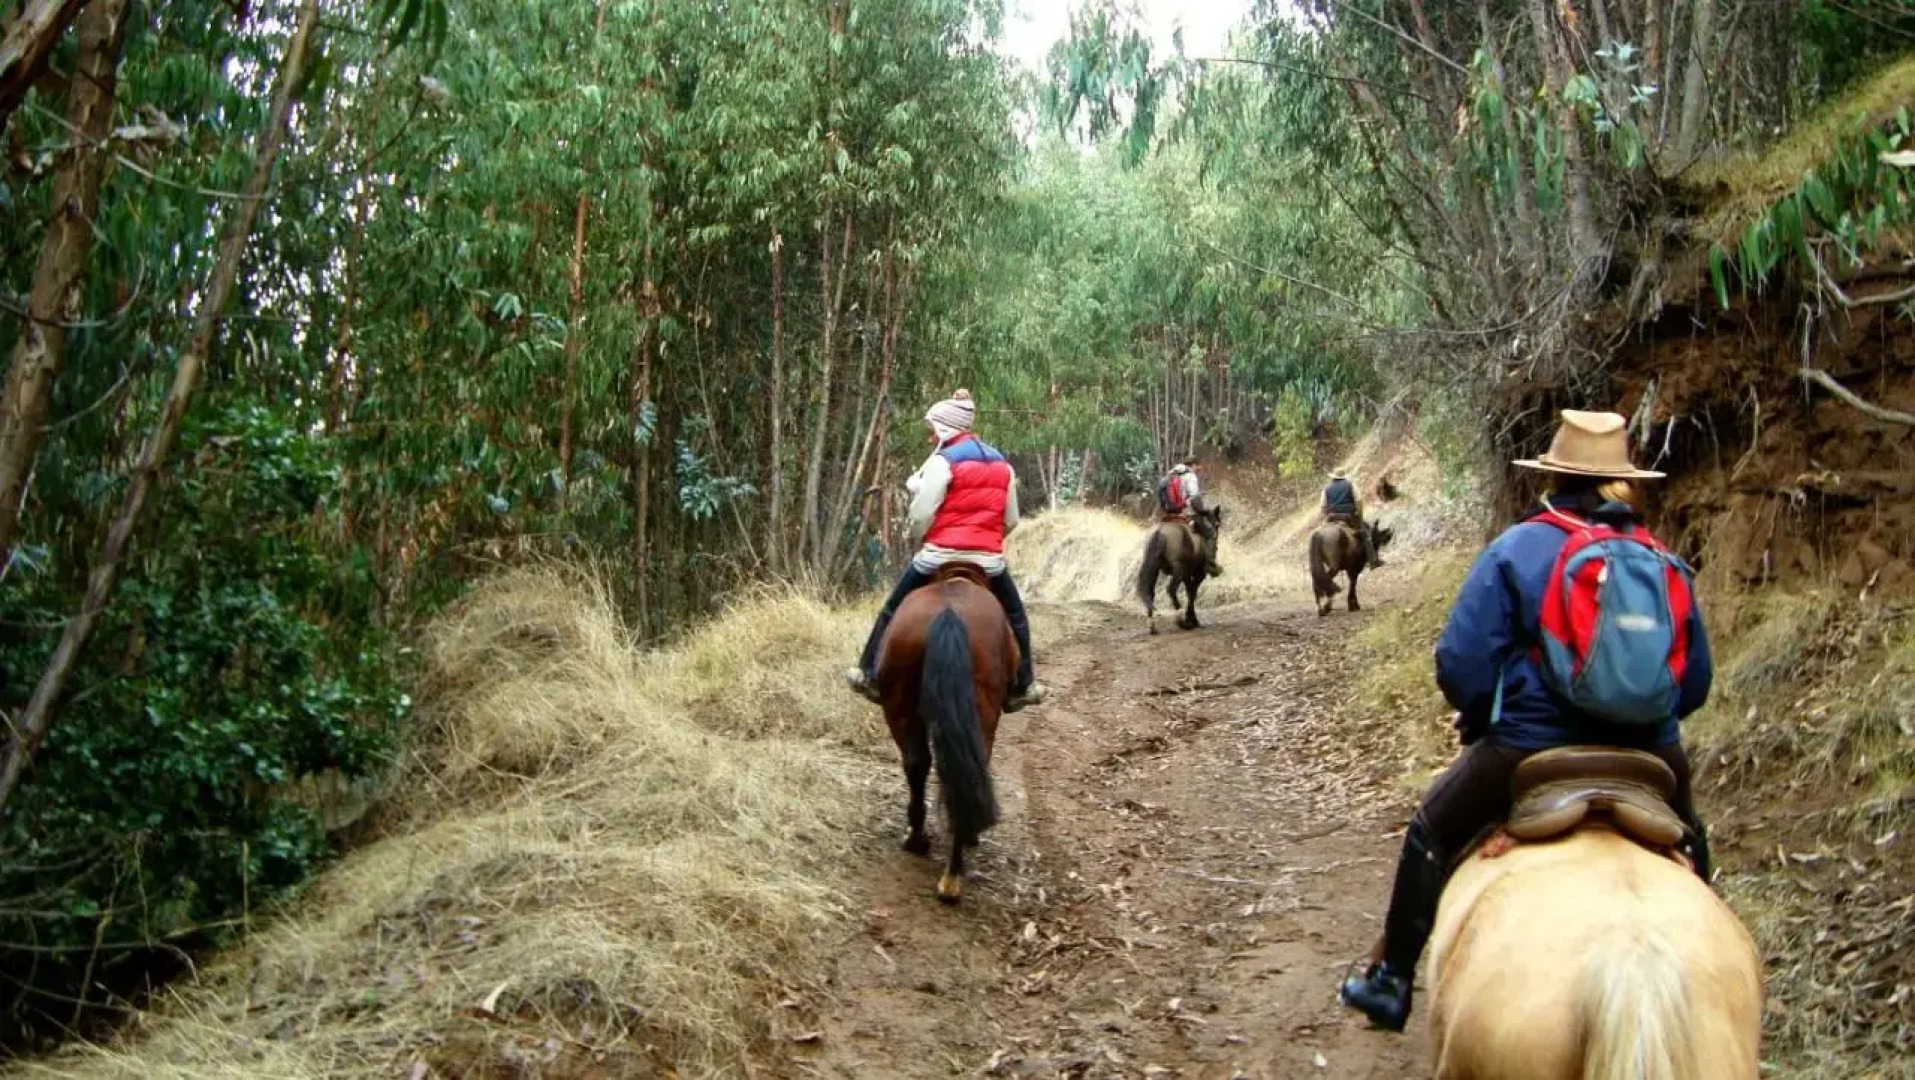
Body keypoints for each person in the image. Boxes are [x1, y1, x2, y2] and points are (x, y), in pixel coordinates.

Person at [1337, 409, 1716, 1032]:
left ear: (1554, 477)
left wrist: (1491, 711)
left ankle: (1392, 981)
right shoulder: (1660, 560)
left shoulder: (1517, 548)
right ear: (1621, 481)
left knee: (1430, 832)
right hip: (1652, 756)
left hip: (1527, 748)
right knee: (1694, 842)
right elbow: (1694, 685)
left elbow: (1461, 664)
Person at [845, 389, 1049, 713]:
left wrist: (919, 535)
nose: (930, 437)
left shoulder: (942, 462)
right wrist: (988, 539)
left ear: (944, 429)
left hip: (938, 553)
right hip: (988, 560)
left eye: (933, 429)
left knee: (891, 608)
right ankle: (1024, 683)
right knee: (1016, 617)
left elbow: (922, 514)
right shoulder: (1003, 465)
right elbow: (1011, 520)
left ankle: (868, 670)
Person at [1158, 458, 1223, 577]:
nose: (1199, 470)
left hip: (1173, 513)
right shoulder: (1191, 476)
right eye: (1198, 466)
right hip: (1188, 513)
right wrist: (1205, 512)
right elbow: (1194, 500)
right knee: (1211, 533)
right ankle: (1211, 565)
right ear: (1193, 465)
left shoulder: (1172, 474)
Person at [1321, 468, 1384, 568]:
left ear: (1333, 477)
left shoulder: (1326, 488)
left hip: (1332, 517)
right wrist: (1359, 515)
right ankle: (1373, 561)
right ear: (1343, 477)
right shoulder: (1350, 485)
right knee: (1366, 533)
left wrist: (1326, 517)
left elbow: (1323, 506)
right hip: (1348, 516)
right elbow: (1359, 501)